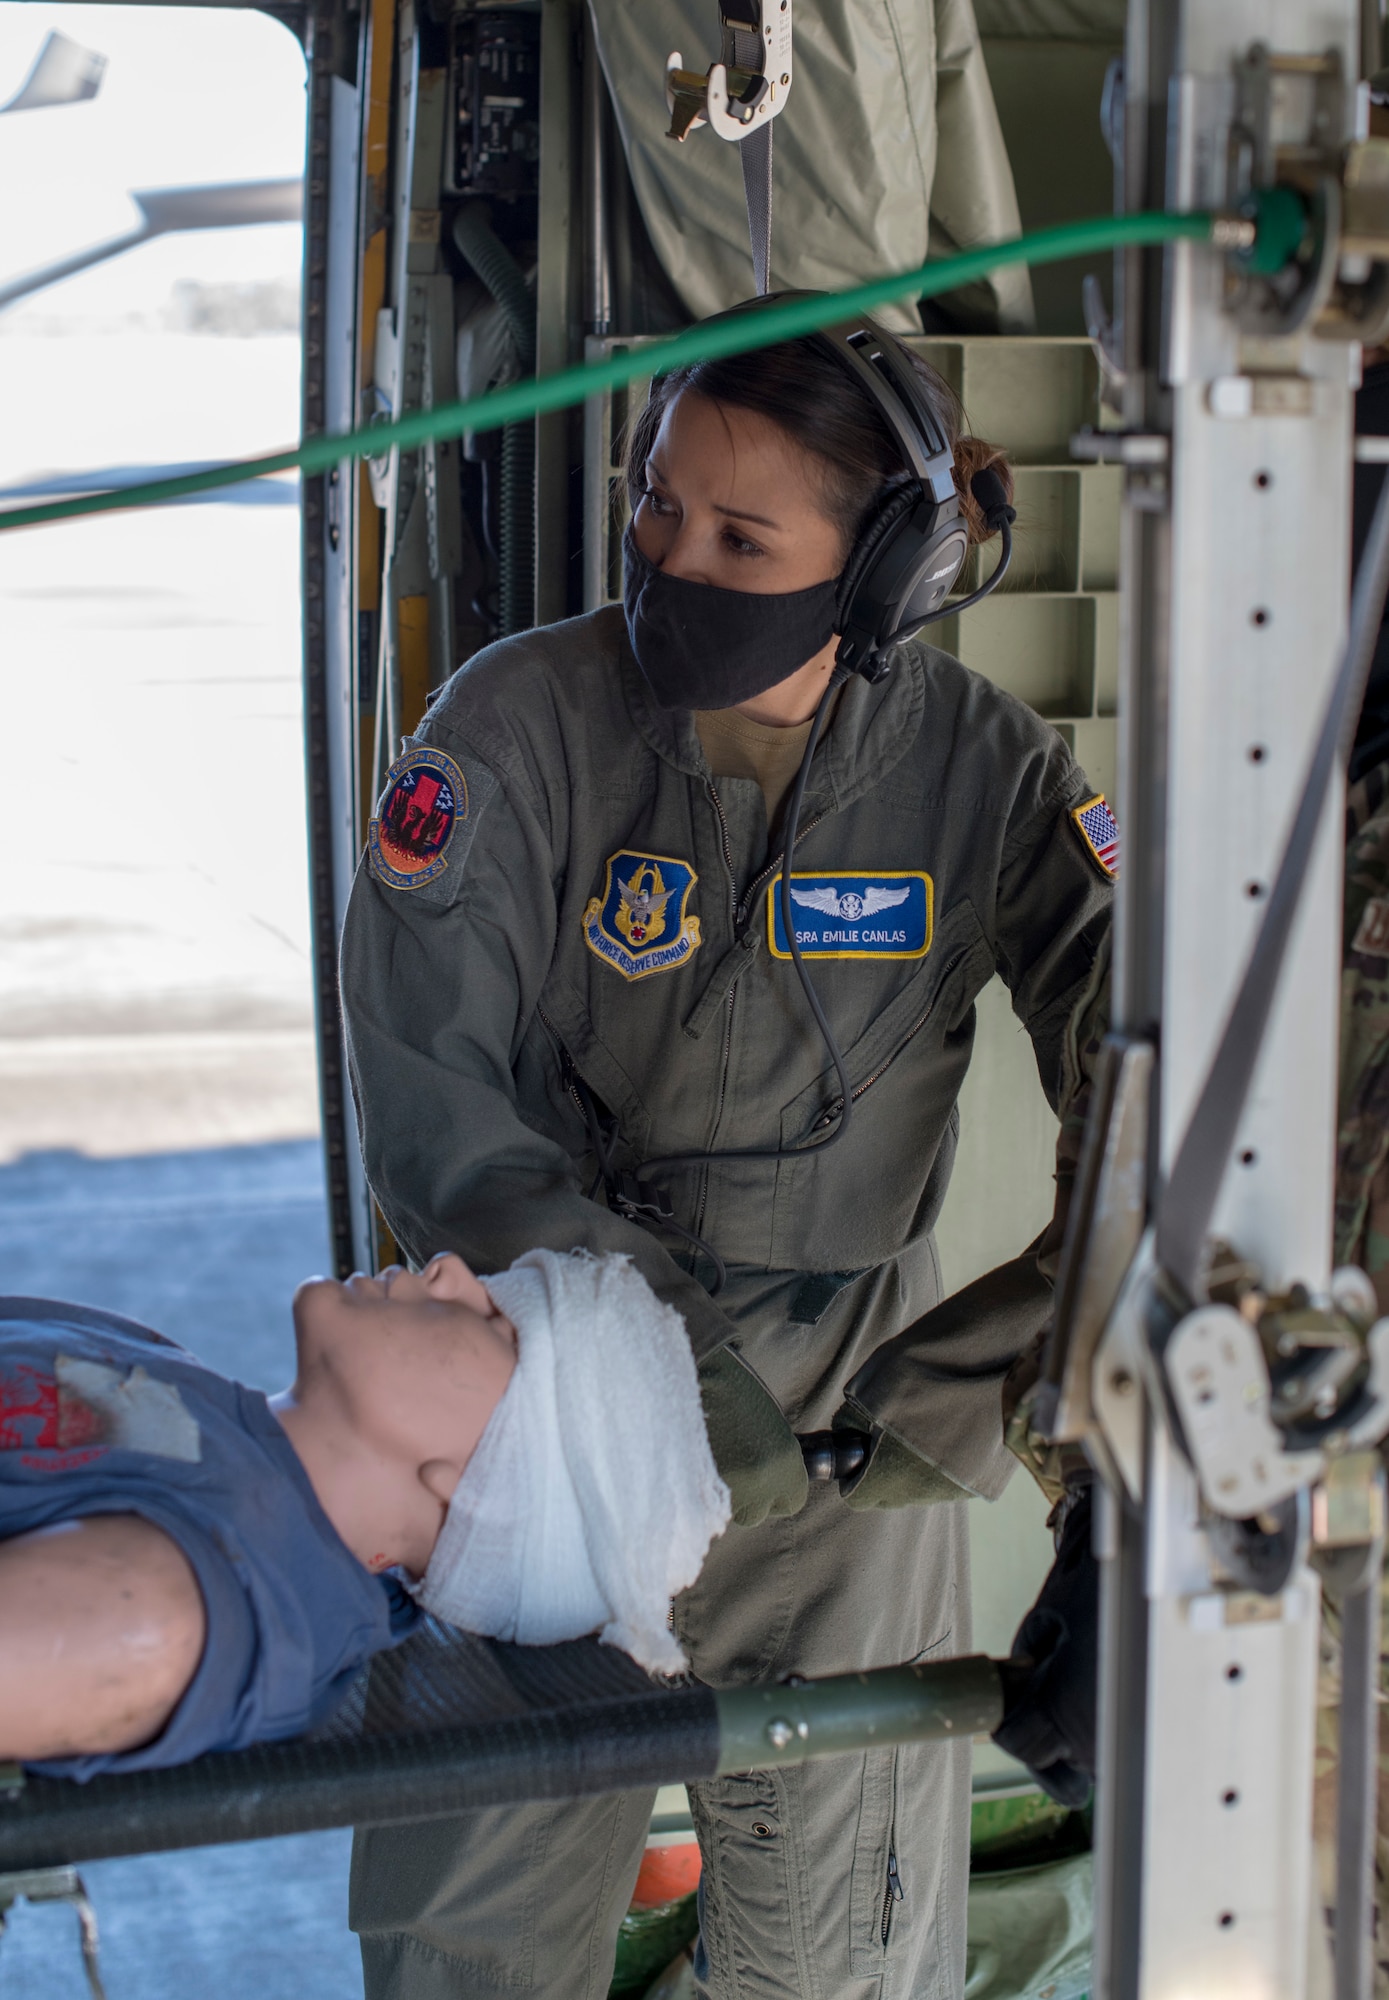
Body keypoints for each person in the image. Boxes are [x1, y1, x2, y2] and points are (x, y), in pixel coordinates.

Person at [341, 308, 1114, 2000]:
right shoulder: (513, 727)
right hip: (541, 1395)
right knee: (464, 1922)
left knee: (837, 1939)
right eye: (654, 507)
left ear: (878, 565)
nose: (672, 561)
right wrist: (658, 1356)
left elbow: (1165, 1089)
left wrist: (986, 1377)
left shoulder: (980, 771)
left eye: (739, 537)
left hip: (841, 1434)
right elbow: (432, 1095)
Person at [0, 1246, 727, 1776]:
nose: (450, 1272)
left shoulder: (180, 1611)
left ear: (480, 1482)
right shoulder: (183, 1387)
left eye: (501, 1325)